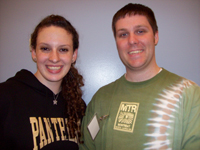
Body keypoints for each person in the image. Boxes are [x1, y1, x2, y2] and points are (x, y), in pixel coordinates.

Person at [79, 3, 200, 150]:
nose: (132, 41)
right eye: (123, 34)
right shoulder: (101, 98)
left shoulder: (189, 94)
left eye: (140, 31)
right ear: (116, 42)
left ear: (155, 37)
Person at [0, 15, 86, 150]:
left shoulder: (78, 106)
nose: (54, 58)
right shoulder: (5, 97)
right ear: (34, 52)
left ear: (74, 55)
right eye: (45, 48)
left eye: (63, 49)